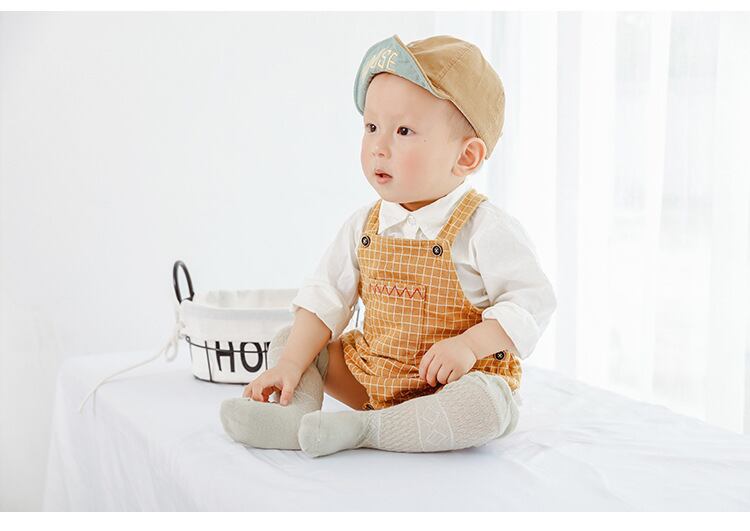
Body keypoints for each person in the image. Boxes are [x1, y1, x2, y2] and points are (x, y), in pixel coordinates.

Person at [220, 34, 557, 458]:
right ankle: (295, 413)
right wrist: (289, 365)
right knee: (294, 339)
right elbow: (325, 296)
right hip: (371, 379)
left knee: (490, 406)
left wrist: (469, 346)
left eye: (403, 131)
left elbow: (532, 302)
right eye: (371, 127)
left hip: (448, 389)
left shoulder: (484, 228)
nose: (379, 147)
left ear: (466, 157)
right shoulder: (365, 225)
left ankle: (366, 430)